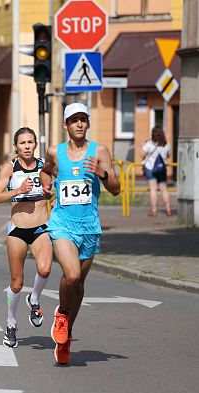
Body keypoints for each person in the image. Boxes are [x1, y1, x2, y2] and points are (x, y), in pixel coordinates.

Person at [40, 103, 120, 365]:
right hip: (62, 223)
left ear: (87, 123)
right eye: (73, 120)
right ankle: (62, 315)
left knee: (79, 285)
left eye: (83, 119)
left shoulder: (100, 151)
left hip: (89, 226)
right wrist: (46, 185)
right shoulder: (56, 151)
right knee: (71, 274)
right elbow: (45, 170)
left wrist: (102, 173)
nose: (79, 124)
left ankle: (66, 335)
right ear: (65, 125)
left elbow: (116, 188)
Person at [0, 127, 52, 348]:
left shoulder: (45, 165)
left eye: (30, 142)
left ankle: (34, 299)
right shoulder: (10, 167)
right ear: (16, 146)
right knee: (17, 283)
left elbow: (54, 190)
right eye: (22, 143)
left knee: (45, 269)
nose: (26, 146)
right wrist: (17, 190)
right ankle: (11, 323)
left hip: (41, 228)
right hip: (17, 230)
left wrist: (50, 195)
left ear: (35, 144)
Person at [141, 126, 172, 217]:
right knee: (164, 189)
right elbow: (168, 156)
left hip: (150, 168)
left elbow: (141, 154)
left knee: (153, 189)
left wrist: (142, 145)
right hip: (162, 169)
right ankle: (168, 210)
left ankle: (154, 211)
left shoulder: (149, 144)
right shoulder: (167, 145)